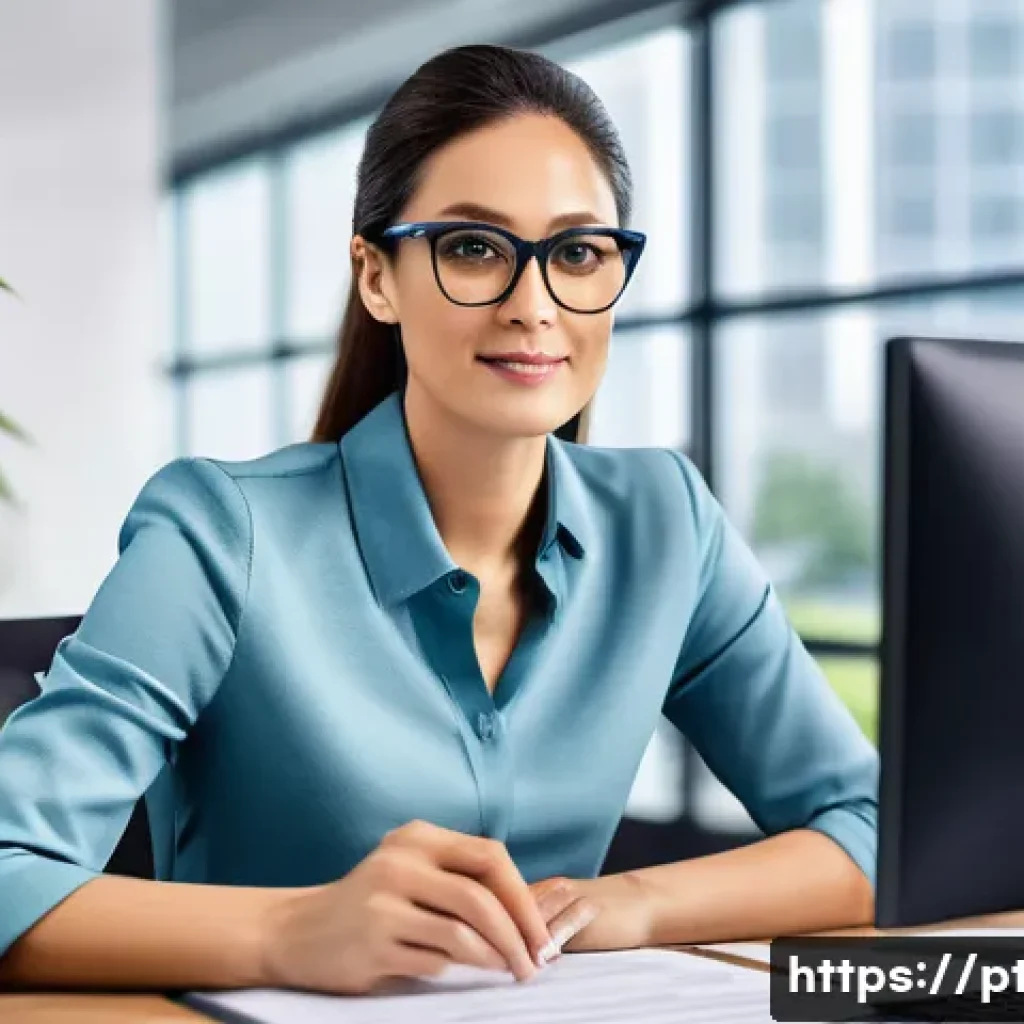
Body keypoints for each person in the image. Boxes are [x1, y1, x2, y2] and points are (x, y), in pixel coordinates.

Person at [0, 43, 878, 996]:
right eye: (472, 248)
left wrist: (629, 903)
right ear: (377, 277)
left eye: (578, 253)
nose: (533, 304)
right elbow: (10, 867)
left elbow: (873, 826)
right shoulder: (220, 533)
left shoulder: (668, 526)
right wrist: (294, 928)